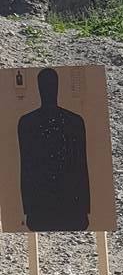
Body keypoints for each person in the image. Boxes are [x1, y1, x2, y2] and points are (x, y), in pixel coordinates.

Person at [18, 67, 91, 230]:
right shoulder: (28, 122)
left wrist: (84, 207)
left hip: (68, 207)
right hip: (43, 209)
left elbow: (80, 165)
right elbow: (26, 167)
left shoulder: (74, 121)